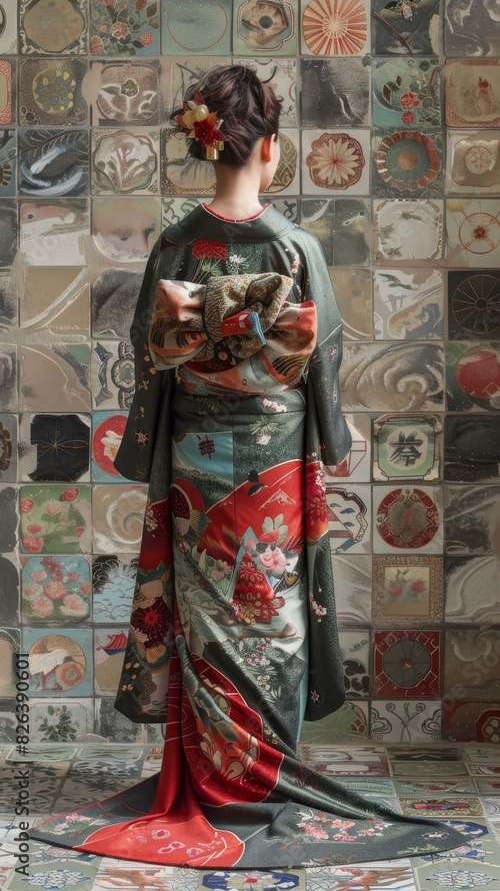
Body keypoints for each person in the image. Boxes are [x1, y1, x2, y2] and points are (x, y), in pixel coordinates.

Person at [30, 65, 465, 869]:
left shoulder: (175, 243)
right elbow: (323, 357)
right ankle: (260, 778)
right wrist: (333, 437)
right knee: (272, 615)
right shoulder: (294, 247)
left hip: (197, 462)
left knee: (208, 617)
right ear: (269, 149)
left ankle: (210, 777)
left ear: (209, 147)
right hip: (274, 467)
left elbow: (150, 359)